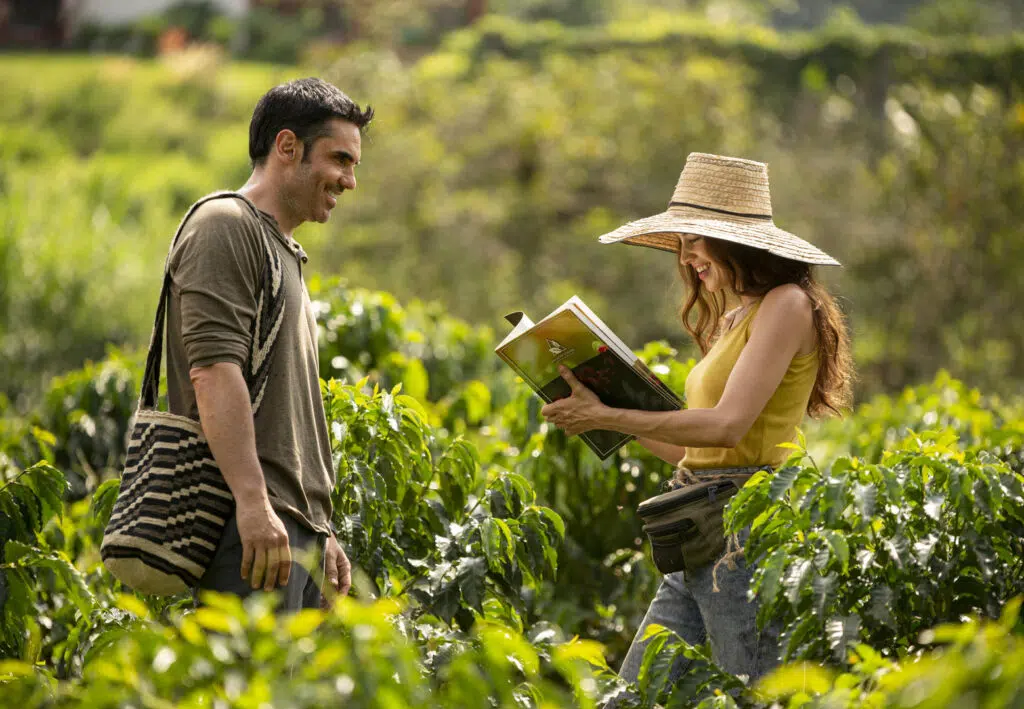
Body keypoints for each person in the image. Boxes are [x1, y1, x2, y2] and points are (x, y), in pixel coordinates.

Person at [540, 152, 853, 685]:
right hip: (694, 521)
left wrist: (615, 412)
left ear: (736, 240)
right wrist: (605, 414)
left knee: (752, 686)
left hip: (743, 528)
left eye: (695, 241)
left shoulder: (788, 304)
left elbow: (727, 427)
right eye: (681, 244)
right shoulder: (733, 318)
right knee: (636, 691)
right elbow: (694, 452)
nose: (686, 258)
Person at [165, 78, 373, 610]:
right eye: (340, 160)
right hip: (249, 530)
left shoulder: (284, 250)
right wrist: (254, 504)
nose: (350, 180)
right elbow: (213, 373)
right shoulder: (225, 225)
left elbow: (289, 413)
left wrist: (318, 527)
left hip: (290, 530)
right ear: (287, 147)